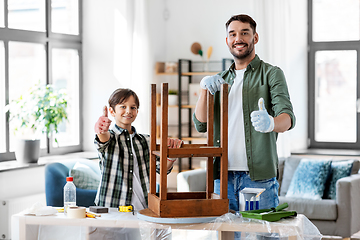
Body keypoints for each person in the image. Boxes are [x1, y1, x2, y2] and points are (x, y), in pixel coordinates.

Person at [193, 14, 296, 212]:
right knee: (226, 234)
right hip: (222, 176)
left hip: (258, 178)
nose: (238, 38)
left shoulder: (271, 73)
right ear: (227, 41)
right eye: (232, 34)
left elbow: (288, 118)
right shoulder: (219, 80)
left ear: (255, 38)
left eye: (244, 33)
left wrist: (272, 123)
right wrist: (204, 89)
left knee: (259, 235)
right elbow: (201, 124)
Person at [94, 88, 182, 210]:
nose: (128, 111)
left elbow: (161, 169)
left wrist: (171, 155)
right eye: (123, 107)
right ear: (112, 111)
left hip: (142, 208)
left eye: (133, 107)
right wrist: (101, 129)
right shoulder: (110, 137)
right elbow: (103, 138)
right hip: (112, 208)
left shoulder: (146, 140)